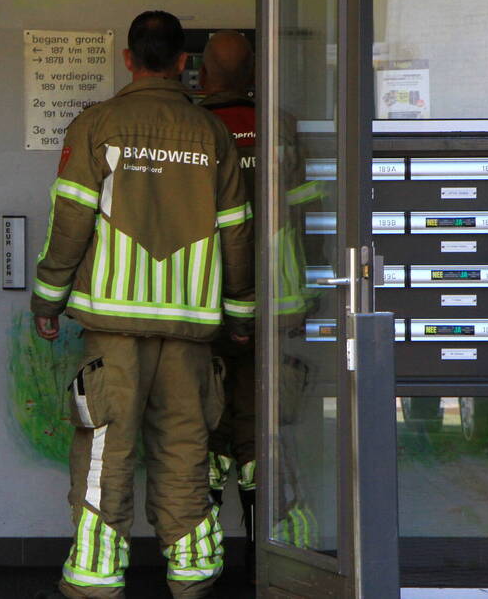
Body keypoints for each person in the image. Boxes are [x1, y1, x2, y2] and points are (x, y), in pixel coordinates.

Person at [31, 11, 255, 599]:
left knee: (106, 448)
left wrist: (47, 299)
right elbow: (238, 231)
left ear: (129, 59)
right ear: (184, 63)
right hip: (190, 331)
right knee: (186, 448)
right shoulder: (213, 135)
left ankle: (96, 580)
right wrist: (240, 314)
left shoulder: (96, 124)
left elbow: (70, 220)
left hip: (113, 330)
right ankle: (194, 579)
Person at [196, 30, 259, 580]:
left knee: (208, 424)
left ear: (201, 74)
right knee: (264, 427)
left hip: (205, 306)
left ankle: (206, 558)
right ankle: (277, 555)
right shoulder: (281, 128)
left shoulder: (197, 131)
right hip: (273, 310)